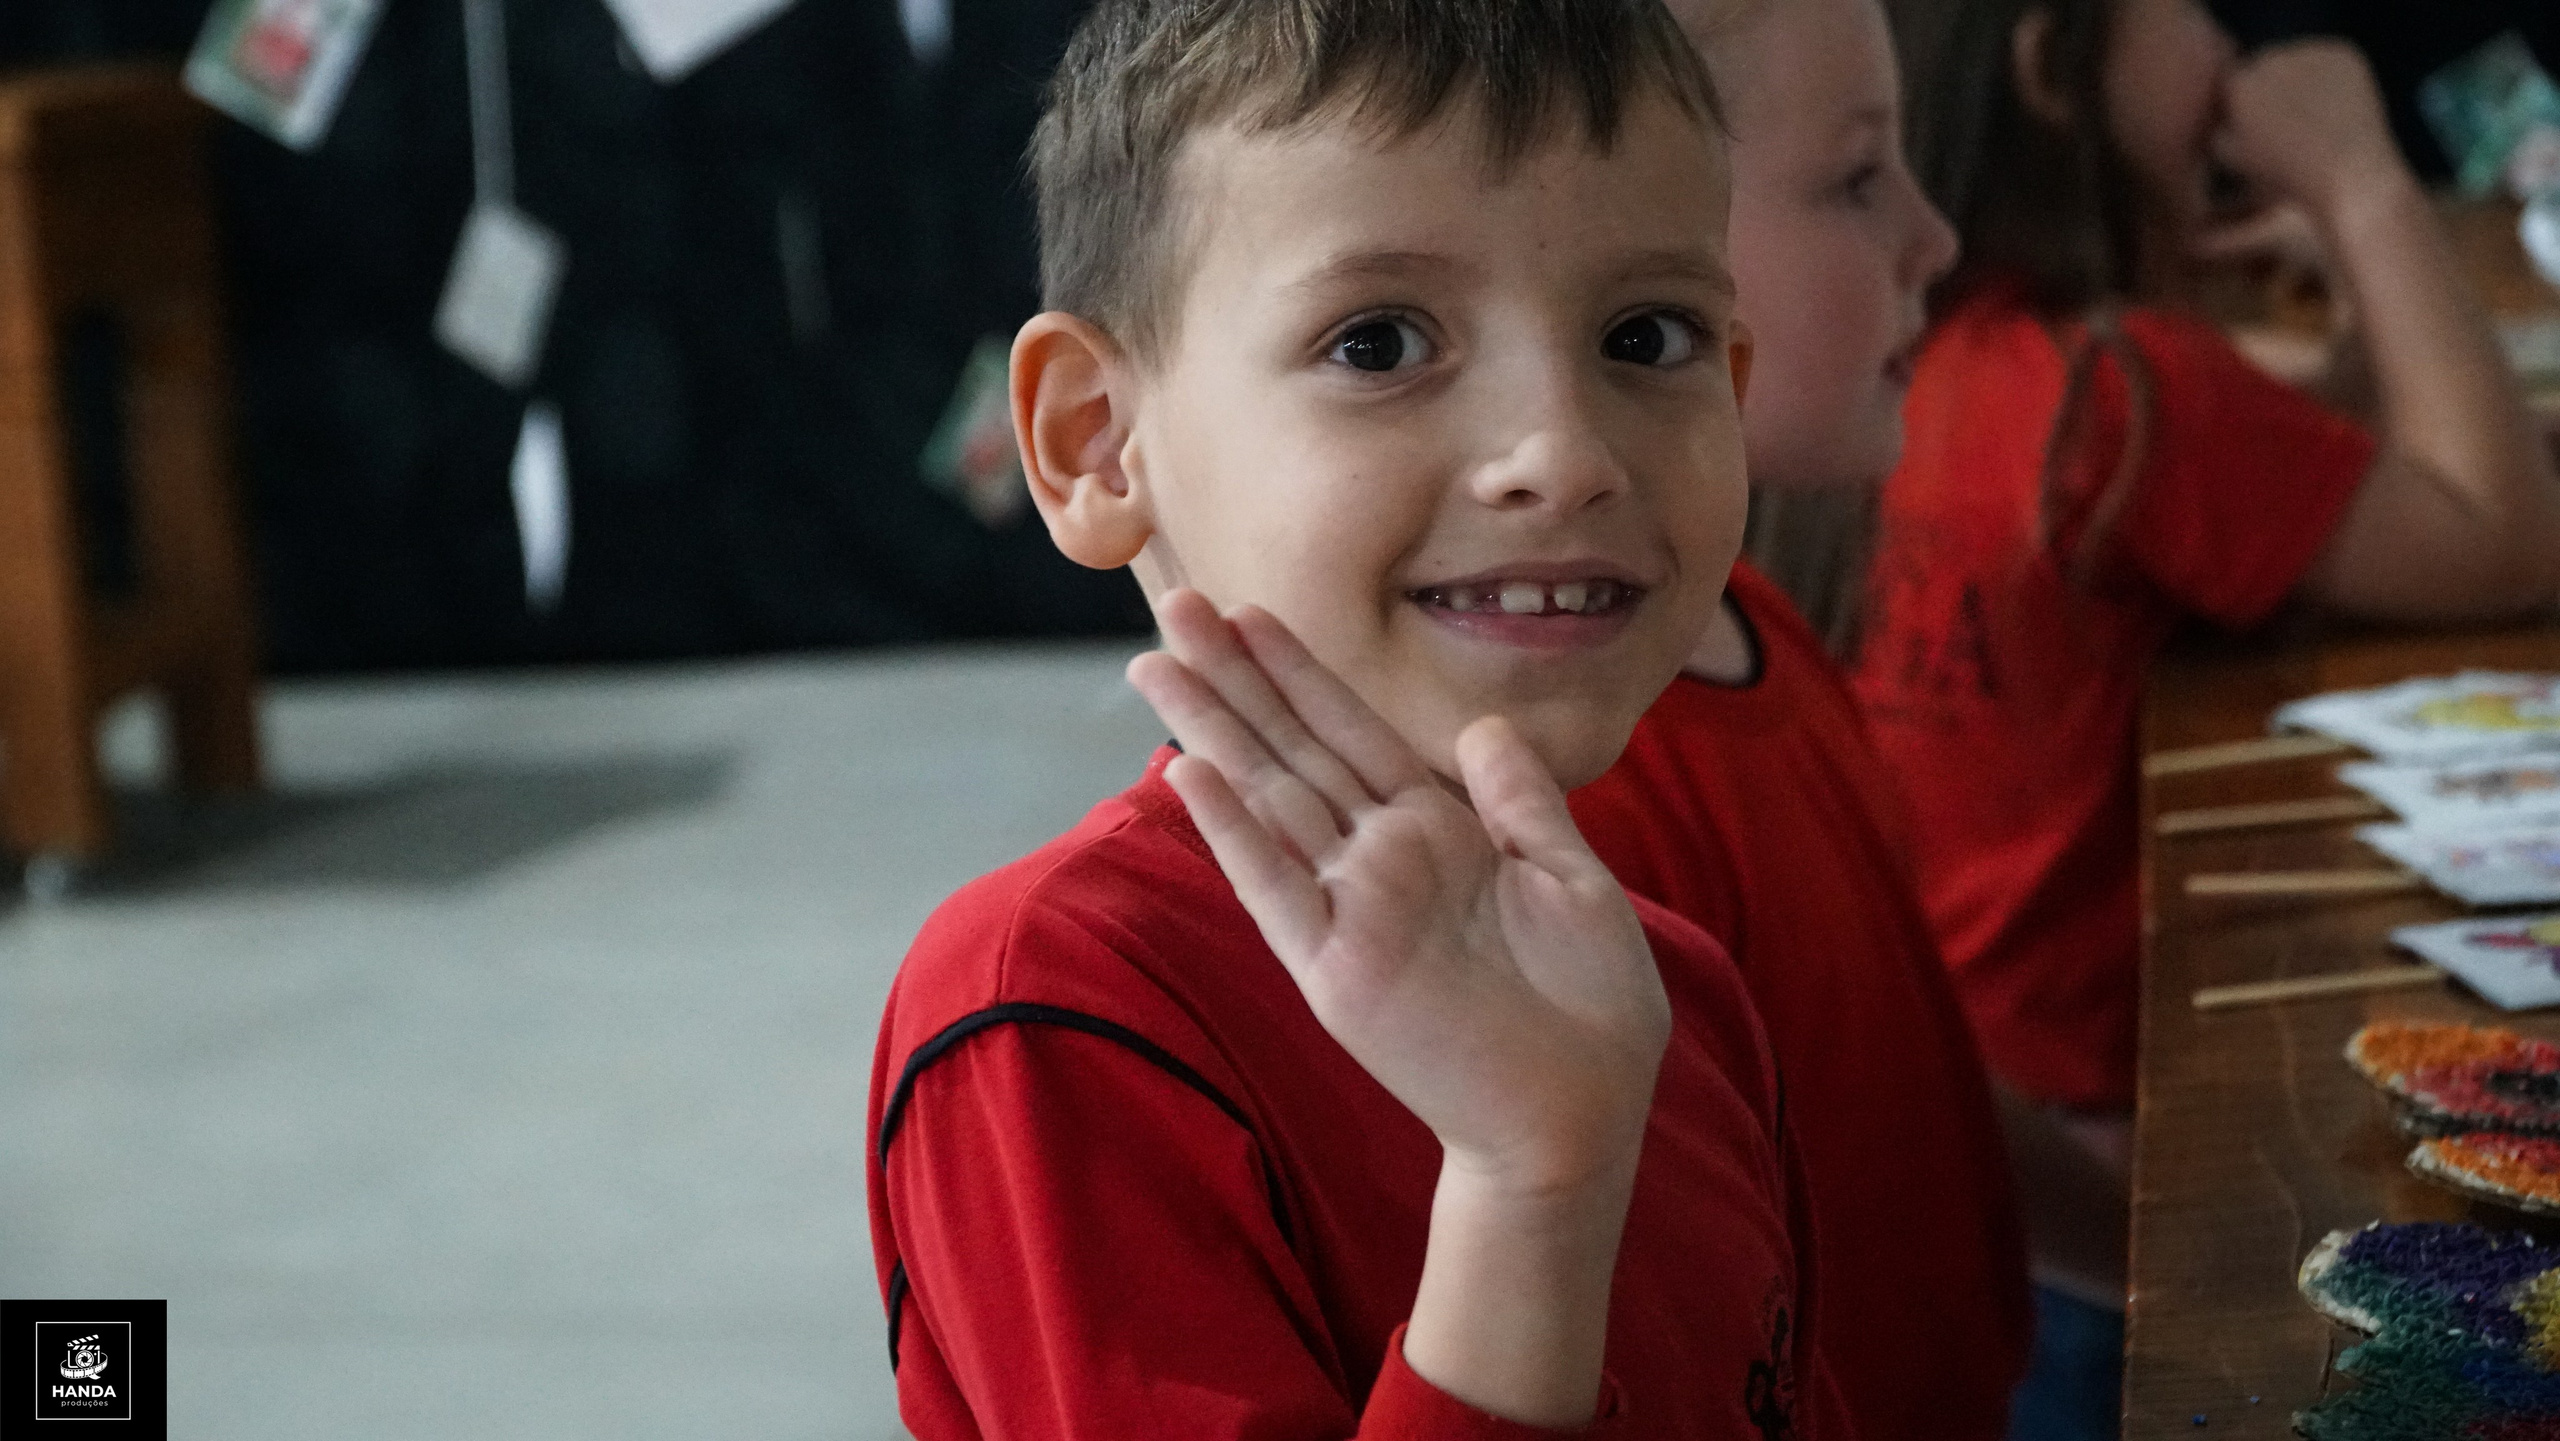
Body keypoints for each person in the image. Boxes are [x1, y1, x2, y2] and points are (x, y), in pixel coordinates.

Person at [865, 1, 1853, 1435]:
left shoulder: (1667, 993)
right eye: (1379, 342)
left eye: (1647, 334)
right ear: (1097, 442)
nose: (1563, 453)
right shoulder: (1055, 1010)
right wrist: (1532, 1187)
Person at [1856, 0, 2560, 1432]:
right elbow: (2504, 533)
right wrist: (2363, 180)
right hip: (2122, 1175)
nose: (2236, 48)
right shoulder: (2109, 390)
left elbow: (2324, 466)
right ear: (2056, 65)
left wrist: (2363, 289)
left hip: (1994, 1148)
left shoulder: (1956, 364)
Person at [1567, 0, 2098, 1435]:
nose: (1934, 238)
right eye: (1858, 180)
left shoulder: (1766, 630)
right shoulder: (1583, 802)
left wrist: (2146, 1236)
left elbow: (1902, 1084)